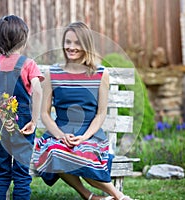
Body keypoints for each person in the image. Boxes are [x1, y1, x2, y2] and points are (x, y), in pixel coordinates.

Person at [33, 22, 132, 200]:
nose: (71, 47)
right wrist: (61, 135)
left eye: (77, 43)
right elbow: (45, 114)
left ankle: (119, 197)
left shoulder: (101, 73)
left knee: (83, 153)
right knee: (56, 152)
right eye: (68, 42)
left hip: (90, 133)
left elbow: (101, 114)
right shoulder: (52, 73)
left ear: (86, 45)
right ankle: (91, 196)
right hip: (60, 133)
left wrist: (85, 136)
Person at [0, 15, 43, 200]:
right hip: (23, 127)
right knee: (21, 173)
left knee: (1, 171)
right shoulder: (28, 64)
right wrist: (34, 121)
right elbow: (37, 92)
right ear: (23, 39)